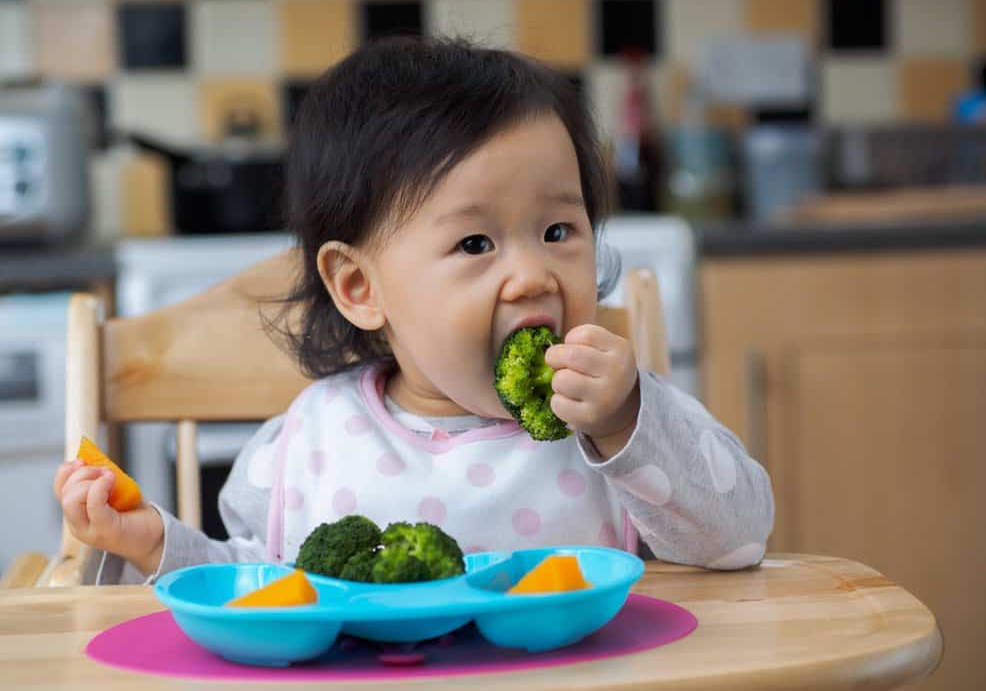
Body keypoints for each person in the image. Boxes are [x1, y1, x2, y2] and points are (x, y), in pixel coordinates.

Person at [53, 37, 773, 585]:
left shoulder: (616, 429)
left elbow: (739, 539)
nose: (531, 276)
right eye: (474, 242)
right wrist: (154, 545)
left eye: (558, 231)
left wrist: (627, 422)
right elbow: (257, 589)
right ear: (360, 288)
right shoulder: (305, 445)